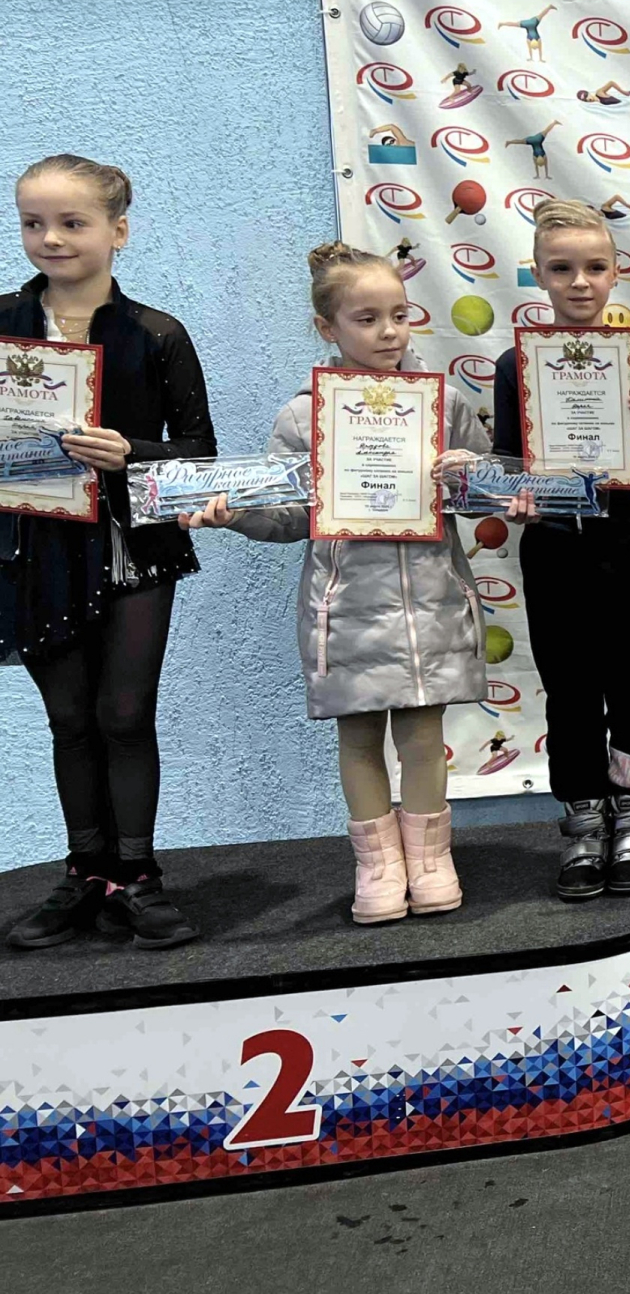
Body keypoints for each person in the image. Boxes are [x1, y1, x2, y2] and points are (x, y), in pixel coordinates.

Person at [186, 243, 489, 923]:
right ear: (328, 327)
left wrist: (472, 477)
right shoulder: (303, 417)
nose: (389, 332)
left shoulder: (443, 404)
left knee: (422, 735)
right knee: (358, 737)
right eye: (366, 318)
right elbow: (289, 515)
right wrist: (236, 514)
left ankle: (431, 861)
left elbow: (483, 495)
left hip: (432, 602)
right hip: (344, 607)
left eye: (399, 315)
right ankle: (378, 867)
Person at [3, 155, 216, 951]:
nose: (51, 238)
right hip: (33, 544)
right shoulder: (2, 325)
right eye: (33, 223)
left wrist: (133, 453)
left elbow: (199, 451)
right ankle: (84, 872)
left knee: (124, 714)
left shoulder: (157, 333)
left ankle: (138, 876)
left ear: (118, 231)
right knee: (68, 718)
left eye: (72, 222)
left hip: (133, 546)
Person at [492, 200, 630, 897]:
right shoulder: (515, 364)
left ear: (616, 271)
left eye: (595, 267)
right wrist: (515, 494)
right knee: (569, 687)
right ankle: (582, 821)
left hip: (629, 541)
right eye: (562, 269)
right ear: (539, 274)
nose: (580, 282)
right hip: (552, 547)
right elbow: (509, 462)